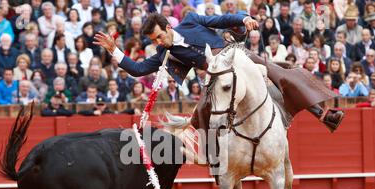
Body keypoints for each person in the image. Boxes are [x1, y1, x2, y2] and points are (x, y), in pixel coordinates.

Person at [94, 12, 343, 132]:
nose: (159, 42)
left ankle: (323, 115)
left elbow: (221, 20)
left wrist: (244, 18)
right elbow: (137, 70)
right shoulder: (164, 54)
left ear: (168, 27)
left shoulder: (190, 20)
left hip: (237, 56)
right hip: (215, 77)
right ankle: (217, 160)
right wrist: (115, 51)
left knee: (282, 75)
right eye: (154, 40)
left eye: (160, 36)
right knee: (199, 115)